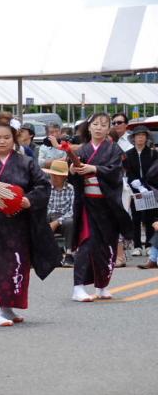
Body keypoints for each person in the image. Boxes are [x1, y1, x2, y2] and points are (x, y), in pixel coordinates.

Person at [0, 117, 61, 325]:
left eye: (6, 137)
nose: (1, 141)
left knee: (15, 263)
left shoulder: (26, 161)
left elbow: (43, 186)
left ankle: (7, 305)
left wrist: (29, 200)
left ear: (14, 138)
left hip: (17, 221)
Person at [66, 113, 132, 301]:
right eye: (95, 124)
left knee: (106, 246)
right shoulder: (81, 150)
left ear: (108, 129)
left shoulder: (114, 150)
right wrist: (73, 170)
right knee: (87, 242)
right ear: (89, 127)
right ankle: (78, 287)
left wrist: (94, 169)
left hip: (107, 204)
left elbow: (116, 172)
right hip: (88, 203)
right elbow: (71, 175)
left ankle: (102, 286)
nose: (98, 128)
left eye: (103, 125)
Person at [123, 125, 157, 257]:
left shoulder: (153, 153)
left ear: (146, 137)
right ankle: (137, 245)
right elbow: (128, 172)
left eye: (143, 135)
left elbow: (155, 171)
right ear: (133, 138)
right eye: (138, 136)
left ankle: (149, 244)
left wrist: (146, 185)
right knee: (135, 218)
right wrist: (135, 184)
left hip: (150, 189)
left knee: (150, 217)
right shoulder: (128, 154)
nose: (140, 138)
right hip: (134, 190)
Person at [43, 160, 75, 266]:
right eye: (52, 175)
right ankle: (44, 255)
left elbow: (72, 210)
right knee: (39, 221)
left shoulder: (71, 189)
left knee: (70, 222)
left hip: (64, 217)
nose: (53, 178)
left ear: (64, 177)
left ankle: (69, 253)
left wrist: (57, 222)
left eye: (57, 176)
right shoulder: (46, 188)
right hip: (48, 216)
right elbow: (42, 206)